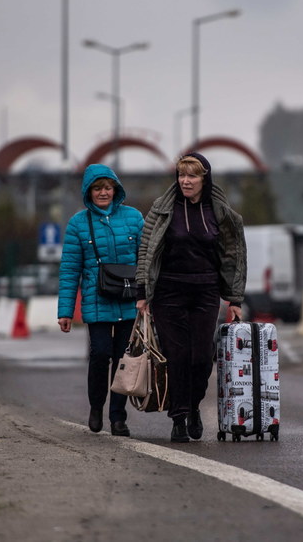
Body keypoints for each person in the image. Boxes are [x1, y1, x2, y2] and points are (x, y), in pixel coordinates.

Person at [135, 152, 247, 442]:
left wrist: (234, 299)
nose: (185, 181)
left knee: (200, 358)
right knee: (177, 356)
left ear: (204, 179)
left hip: (205, 291)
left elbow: (233, 254)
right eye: (182, 175)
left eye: (192, 176)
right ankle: (178, 417)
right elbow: (146, 249)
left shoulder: (219, 211)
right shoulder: (162, 209)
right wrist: (143, 292)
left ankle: (194, 406)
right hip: (168, 292)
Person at [58, 164, 144, 437]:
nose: (103, 193)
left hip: (130, 301)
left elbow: (146, 261)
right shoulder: (78, 224)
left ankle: (118, 417)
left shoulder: (134, 218)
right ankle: (96, 406)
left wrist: (148, 298)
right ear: (89, 191)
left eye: (108, 187)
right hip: (97, 302)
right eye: (98, 188)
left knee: (123, 360)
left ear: (115, 189)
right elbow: (70, 270)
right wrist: (66, 311)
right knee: (100, 354)